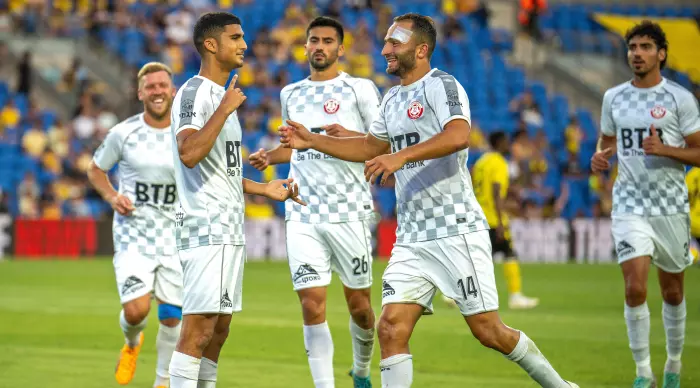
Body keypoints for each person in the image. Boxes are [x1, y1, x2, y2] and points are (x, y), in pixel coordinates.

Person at [280, 13, 577, 388]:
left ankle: (561, 386)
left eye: (395, 43)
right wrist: (313, 140)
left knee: (488, 331)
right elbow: (372, 146)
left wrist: (400, 156)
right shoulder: (392, 98)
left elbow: (458, 135)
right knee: (390, 327)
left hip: (456, 231)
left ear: (421, 50)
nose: (385, 48)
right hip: (411, 238)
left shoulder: (442, 86)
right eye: (386, 41)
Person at [166, 12, 306, 388]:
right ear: (211, 45)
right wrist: (224, 110)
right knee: (197, 331)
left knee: (218, 330)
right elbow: (189, 152)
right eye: (235, 37)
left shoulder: (220, 93)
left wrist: (264, 189)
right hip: (205, 227)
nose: (244, 44)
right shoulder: (197, 93)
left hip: (227, 228)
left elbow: (219, 170)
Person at [248, 16, 380, 388]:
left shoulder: (360, 90)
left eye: (327, 41)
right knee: (311, 304)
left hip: (349, 212)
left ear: (340, 48)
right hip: (303, 211)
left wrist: (343, 136)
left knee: (360, 308)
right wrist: (270, 157)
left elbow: (379, 142)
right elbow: (298, 148)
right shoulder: (290, 93)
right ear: (304, 46)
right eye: (313, 41)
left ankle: (362, 369)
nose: (319, 47)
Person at [590, 20, 700, 388]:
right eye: (633, 47)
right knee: (635, 288)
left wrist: (665, 149)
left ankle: (673, 363)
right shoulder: (614, 97)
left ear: (661, 54)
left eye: (645, 47)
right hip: (629, 204)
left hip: (670, 207)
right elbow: (605, 141)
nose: (637, 53)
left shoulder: (680, 98)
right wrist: (600, 158)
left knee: (672, 291)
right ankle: (643, 373)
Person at [87, 62, 182, 388]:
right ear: (140, 93)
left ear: (172, 90)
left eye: (162, 85)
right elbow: (95, 170)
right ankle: (131, 343)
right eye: (150, 87)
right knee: (136, 311)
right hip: (134, 235)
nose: (157, 91)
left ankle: (162, 381)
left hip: (175, 236)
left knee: (173, 316)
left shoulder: (187, 135)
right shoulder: (123, 133)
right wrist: (113, 196)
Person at [471, 131, 539, 309]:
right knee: (506, 254)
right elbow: (496, 193)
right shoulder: (499, 162)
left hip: (478, 216)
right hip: (493, 219)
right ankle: (515, 296)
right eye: (506, 142)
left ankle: (456, 296)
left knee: (482, 258)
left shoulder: (481, 162)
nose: (508, 145)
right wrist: (501, 222)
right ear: (499, 143)